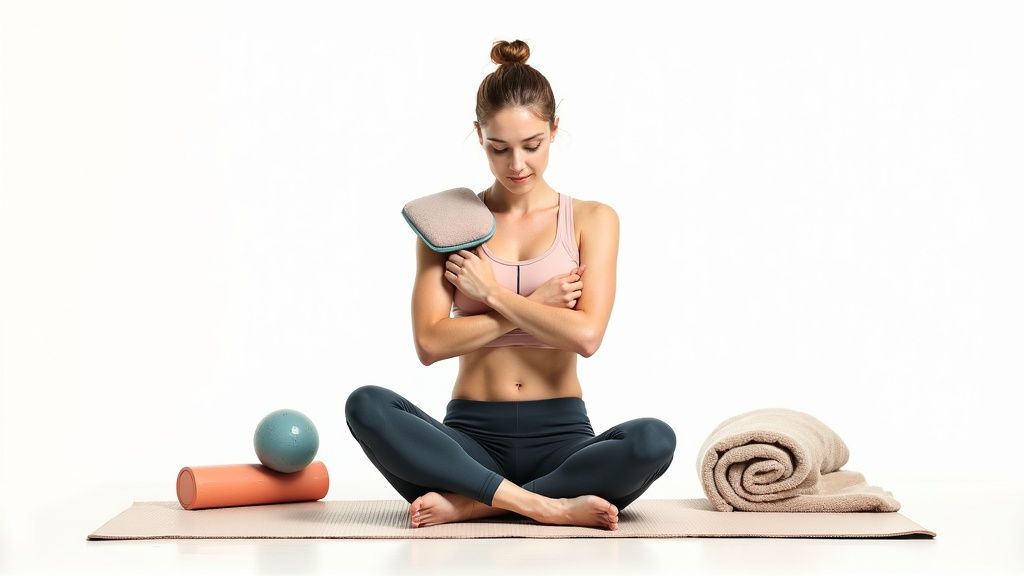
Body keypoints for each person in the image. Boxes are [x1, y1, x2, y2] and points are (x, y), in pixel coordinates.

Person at [345, 39, 676, 530]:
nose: (517, 164)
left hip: (563, 441)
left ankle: (477, 504)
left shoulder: (591, 219)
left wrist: (496, 295)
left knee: (654, 440)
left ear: (554, 130)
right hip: (465, 444)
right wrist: (536, 306)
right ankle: (543, 506)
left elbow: (586, 336)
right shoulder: (448, 222)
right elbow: (431, 343)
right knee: (366, 405)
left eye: (532, 145)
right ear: (478, 135)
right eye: (498, 148)